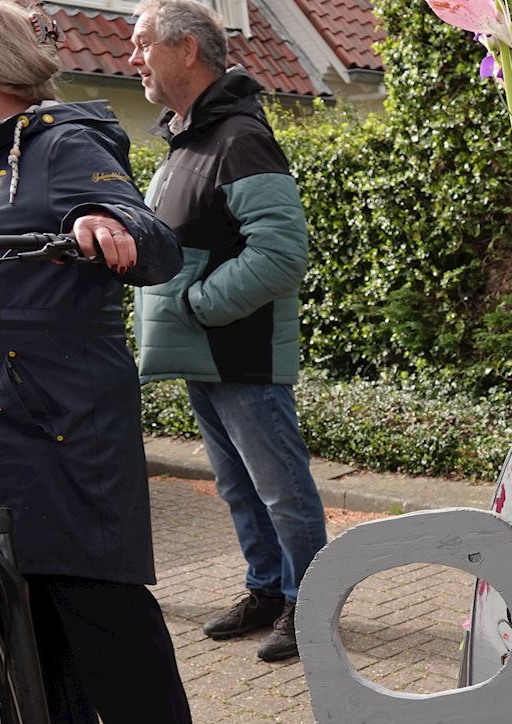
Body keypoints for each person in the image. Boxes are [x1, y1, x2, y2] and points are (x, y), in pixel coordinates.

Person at [0, 0, 202, 724]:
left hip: (58, 406)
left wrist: (103, 219)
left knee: (90, 580)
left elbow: (154, 236)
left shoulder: (61, 143)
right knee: (16, 585)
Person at [129, 0, 325, 663]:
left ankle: (311, 603)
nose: (133, 58)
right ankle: (268, 588)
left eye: (143, 43)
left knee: (281, 487)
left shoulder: (239, 138)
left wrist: (198, 306)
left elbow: (281, 252)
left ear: (187, 49)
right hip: (204, 354)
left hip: (238, 350)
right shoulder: (187, 140)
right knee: (239, 486)